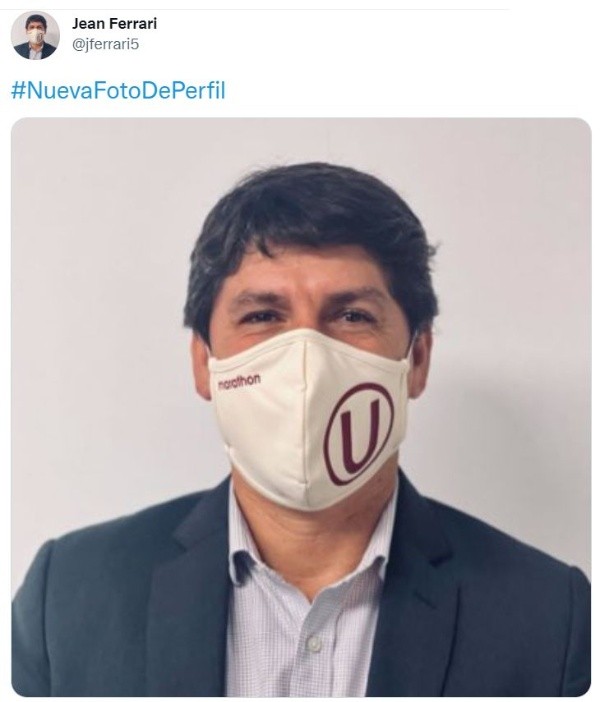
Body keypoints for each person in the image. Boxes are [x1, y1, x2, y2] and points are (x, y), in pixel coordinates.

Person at [12, 162, 590, 696]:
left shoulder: (551, 619)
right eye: (263, 316)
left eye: (352, 316)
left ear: (417, 360)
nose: (305, 360)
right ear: (203, 362)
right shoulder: (67, 601)